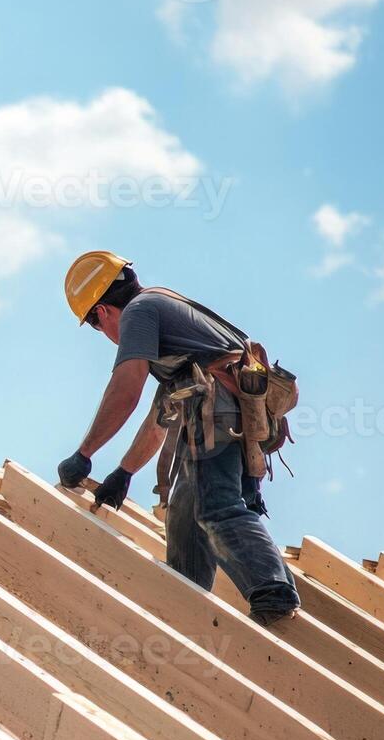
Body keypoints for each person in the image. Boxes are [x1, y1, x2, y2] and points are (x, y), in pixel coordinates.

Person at [57, 250, 300, 626]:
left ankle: (273, 591)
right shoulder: (165, 310)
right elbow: (163, 413)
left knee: (215, 506)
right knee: (186, 514)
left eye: (95, 325)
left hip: (217, 412)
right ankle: (188, 610)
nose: (103, 335)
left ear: (102, 312)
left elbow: (126, 389)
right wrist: (124, 472)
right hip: (233, 414)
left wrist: (84, 454)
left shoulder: (139, 312)